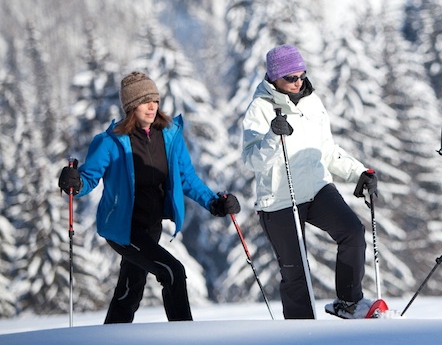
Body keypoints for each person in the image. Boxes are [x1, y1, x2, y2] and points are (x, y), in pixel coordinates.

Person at [56, 71, 241, 323]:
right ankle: (185, 336)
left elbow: (187, 178)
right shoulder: (111, 141)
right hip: (123, 228)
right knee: (173, 272)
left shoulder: (170, 136)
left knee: (131, 290)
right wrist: (74, 182)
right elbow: (88, 178)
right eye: (145, 101)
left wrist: (213, 202)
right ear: (131, 106)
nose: (152, 106)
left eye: (154, 99)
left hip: (151, 226)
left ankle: (110, 338)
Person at [241, 44, 378, 319]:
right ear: (274, 78)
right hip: (279, 200)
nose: (298, 82)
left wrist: (359, 172)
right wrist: (271, 137)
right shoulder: (260, 108)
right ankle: (301, 332)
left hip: (317, 189)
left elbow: (326, 150)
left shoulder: (312, 102)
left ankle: (349, 302)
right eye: (291, 78)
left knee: (352, 232)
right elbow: (251, 161)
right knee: (295, 273)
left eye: (301, 75)